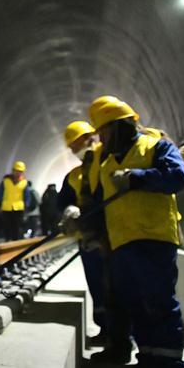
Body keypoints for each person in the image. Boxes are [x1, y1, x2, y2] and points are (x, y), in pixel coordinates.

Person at [67, 96, 184, 368]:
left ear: (119, 126)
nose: (101, 138)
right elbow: (98, 204)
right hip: (122, 243)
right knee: (137, 304)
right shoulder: (108, 162)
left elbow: (176, 176)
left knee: (160, 304)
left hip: (154, 238)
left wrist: (137, 178)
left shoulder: (156, 146)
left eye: (104, 131)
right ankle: (148, 361)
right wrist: (79, 220)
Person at [57, 120, 108, 345]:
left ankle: (122, 336)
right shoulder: (74, 175)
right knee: (97, 285)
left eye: (75, 144)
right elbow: (63, 200)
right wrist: (69, 209)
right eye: (72, 147)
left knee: (116, 288)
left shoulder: (108, 162)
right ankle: (106, 331)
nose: (74, 150)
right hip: (88, 239)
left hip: (111, 237)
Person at [0, 161, 31, 240]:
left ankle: (15, 243)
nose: (19, 173)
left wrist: (26, 206)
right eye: (17, 171)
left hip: (19, 208)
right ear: (13, 171)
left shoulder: (24, 183)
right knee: (7, 227)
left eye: (21, 172)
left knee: (17, 228)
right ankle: (7, 242)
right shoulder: (5, 181)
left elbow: (27, 196)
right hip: (6, 208)